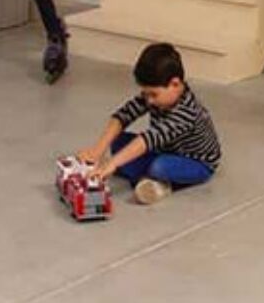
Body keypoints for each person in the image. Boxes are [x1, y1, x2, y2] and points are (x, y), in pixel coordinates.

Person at [75, 42, 221, 205]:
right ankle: (148, 177)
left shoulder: (186, 112)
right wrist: (98, 150)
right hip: (164, 149)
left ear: (175, 84)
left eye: (153, 94)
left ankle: (162, 184)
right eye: (146, 94)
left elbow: (148, 139)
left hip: (196, 163)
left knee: (159, 166)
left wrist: (112, 163)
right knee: (118, 142)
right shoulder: (156, 97)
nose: (149, 100)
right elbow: (124, 115)